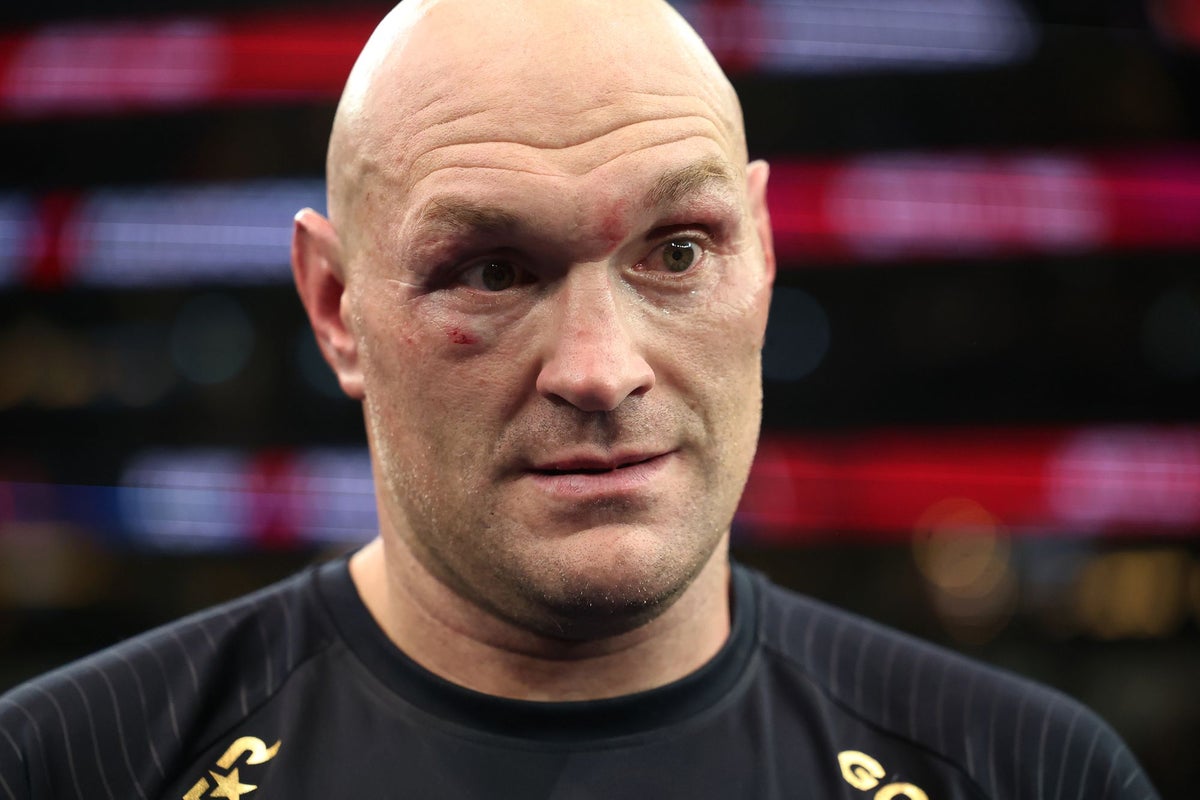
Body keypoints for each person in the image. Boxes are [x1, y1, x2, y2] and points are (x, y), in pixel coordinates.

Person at [0, 1, 1160, 798]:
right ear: (337, 307)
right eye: (493, 270)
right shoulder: (70, 767)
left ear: (761, 253)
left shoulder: (1027, 772)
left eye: (677, 251)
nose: (601, 369)